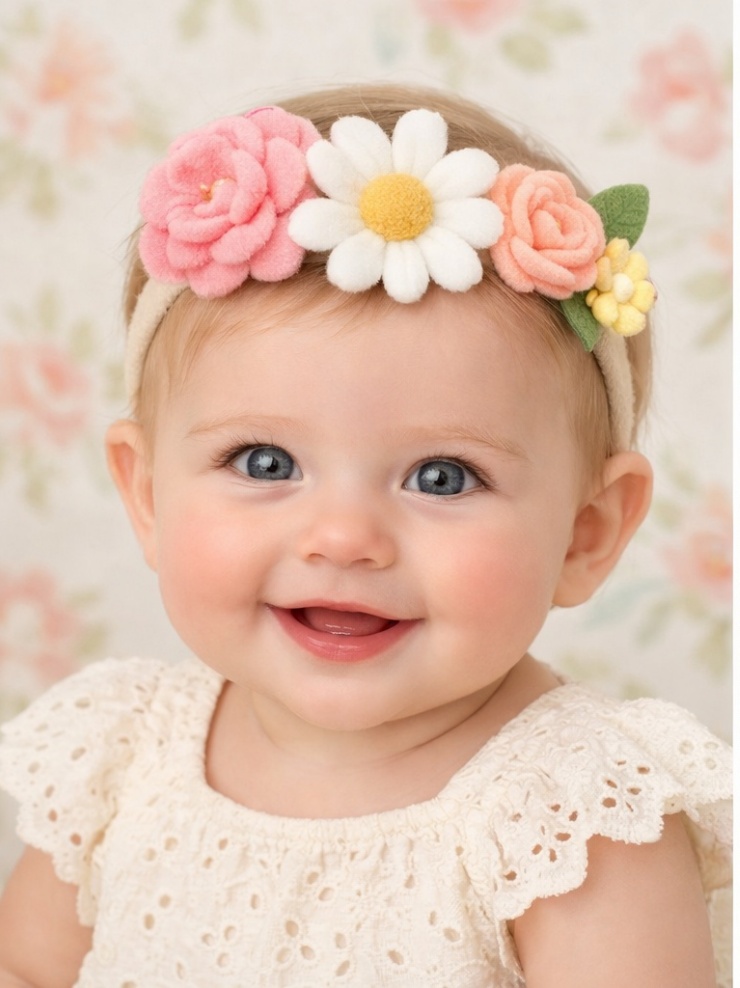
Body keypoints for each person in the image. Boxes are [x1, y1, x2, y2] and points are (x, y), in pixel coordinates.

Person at [0, 83, 731, 988]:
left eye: (442, 477)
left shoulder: (571, 822)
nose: (343, 539)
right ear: (148, 495)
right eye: (265, 462)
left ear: (587, 534)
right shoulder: (123, 756)